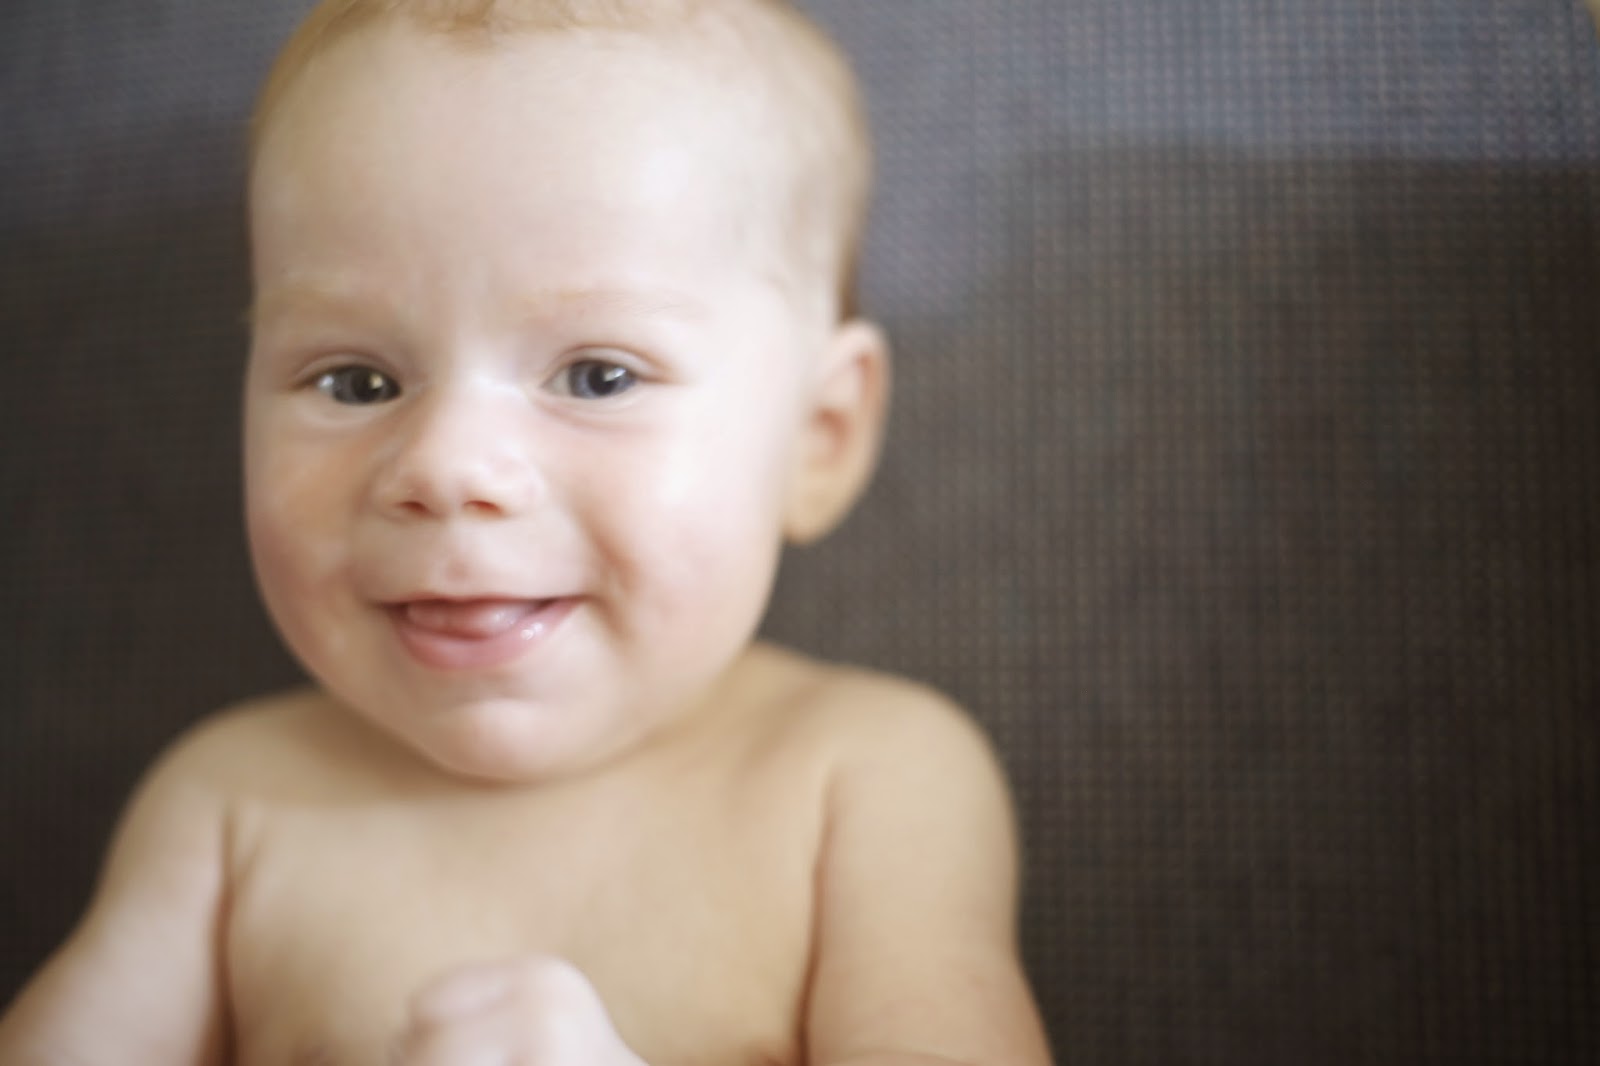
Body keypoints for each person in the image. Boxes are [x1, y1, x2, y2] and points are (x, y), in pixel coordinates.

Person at [0, 1, 1052, 1063]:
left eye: (598, 376)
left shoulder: (864, 782)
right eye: (356, 381)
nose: (447, 468)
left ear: (817, 438)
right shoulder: (228, 804)